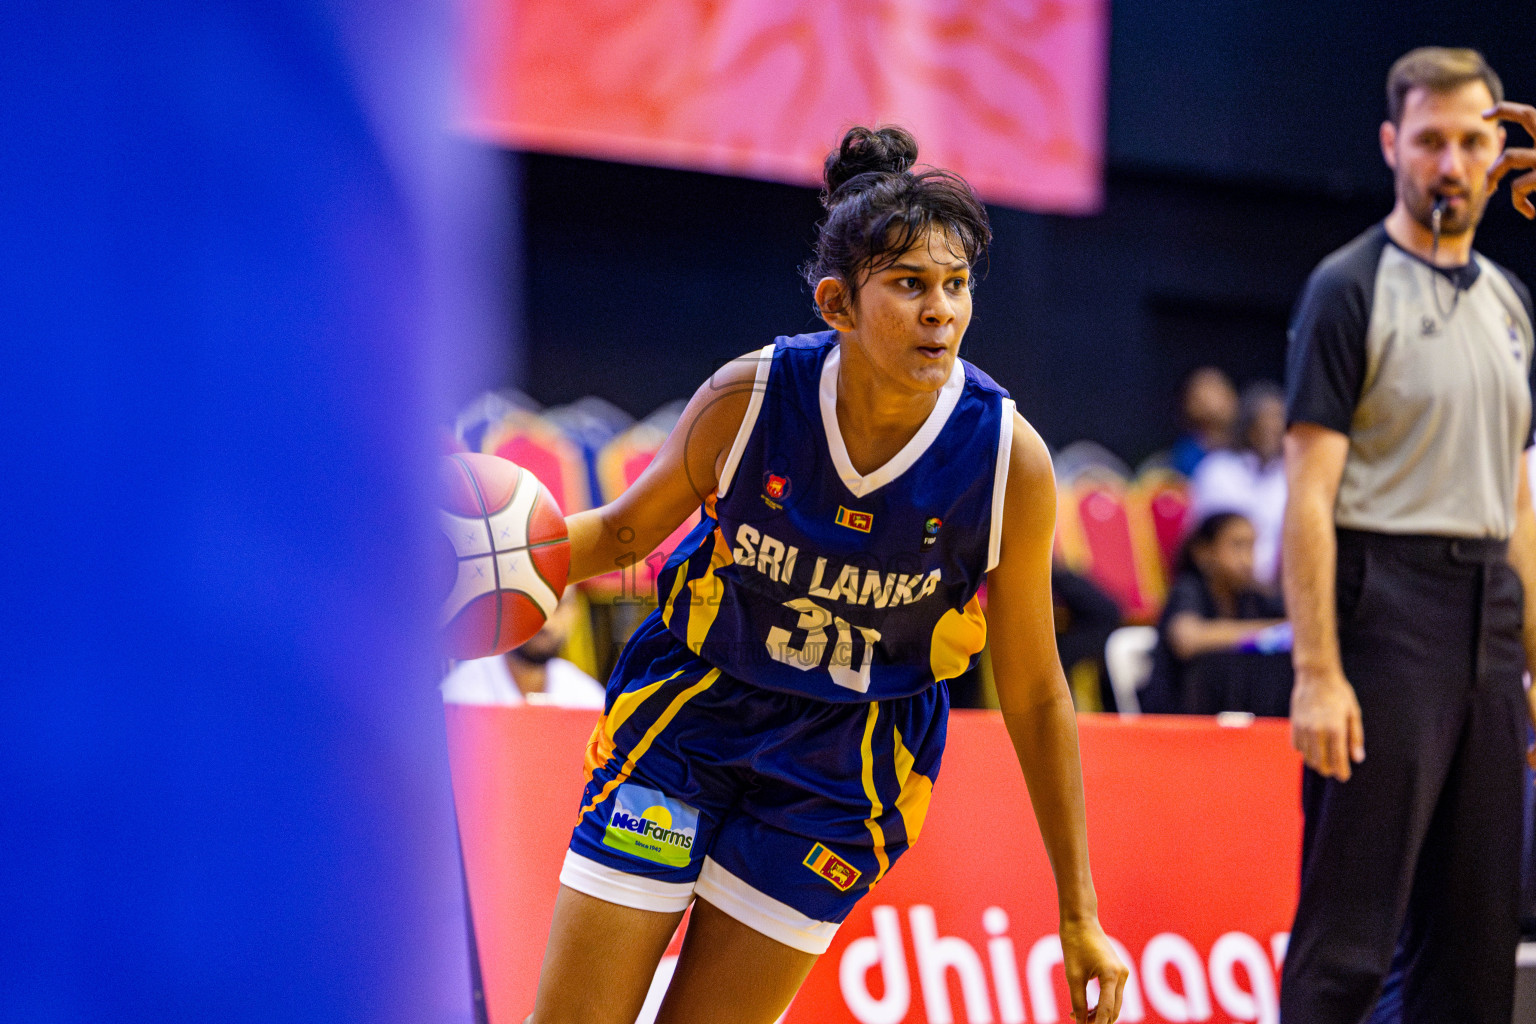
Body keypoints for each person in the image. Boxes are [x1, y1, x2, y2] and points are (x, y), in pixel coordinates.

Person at [523, 126, 1127, 1024]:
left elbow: (1037, 691)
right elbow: (618, 534)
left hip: (846, 764)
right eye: (911, 286)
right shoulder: (751, 396)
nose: (942, 312)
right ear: (838, 303)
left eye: (956, 286)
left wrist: (1080, 911)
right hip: (691, 714)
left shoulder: (1009, 458)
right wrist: (452, 574)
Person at [1280, 48, 1536, 1024]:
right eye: (1432, 140)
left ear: (1499, 150)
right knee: (1347, 946)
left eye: (1476, 141)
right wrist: (1318, 671)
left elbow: (1515, 499)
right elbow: (1308, 495)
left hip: (1490, 620)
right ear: (1394, 145)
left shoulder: (1511, 303)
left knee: (1476, 950)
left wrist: (1534, 667)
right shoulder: (1347, 287)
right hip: (1383, 607)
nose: (1453, 163)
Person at [1141, 512, 1289, 716]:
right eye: (1237, 546)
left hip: (1233, 717)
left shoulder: (1250, 596)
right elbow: (1187, 639)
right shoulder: (1189, 588)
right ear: (1203, 552)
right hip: (1179, 716)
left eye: (1252, 546)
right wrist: (1265, 632)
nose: (1247, 559)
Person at [1190, 381, 1287, 588]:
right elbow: (1209, 540)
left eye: (1279, 418)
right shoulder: (1217, 469)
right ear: (1247, 424)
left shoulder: (1290, 475)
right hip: (1223, 587)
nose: (1273, 426)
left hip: (1279, 588)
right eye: (1266, 419)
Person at [440, 594, 605, 708]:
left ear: (574, 612)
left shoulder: (588, 698)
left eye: (557, 606)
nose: (545, 623)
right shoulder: (460, 695)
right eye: (532, 606)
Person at [1168, 366, 1238, 477]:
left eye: (1219, 389)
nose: (1214, 400)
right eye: (1207, 391)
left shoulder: (1246, 449)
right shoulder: (1186, 455)